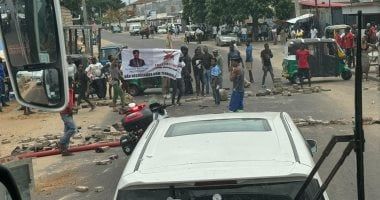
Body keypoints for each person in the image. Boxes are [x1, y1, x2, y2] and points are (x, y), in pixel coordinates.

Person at [58, 87, 77, 156]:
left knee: (67, 130)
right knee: (73, 128)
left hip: (65, 112)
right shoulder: (67, 91)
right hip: (66, 112)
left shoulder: (69, 90)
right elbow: (67, 102)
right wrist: (70, 110)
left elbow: (71, 101)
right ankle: (61, 142)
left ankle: (64, 149)